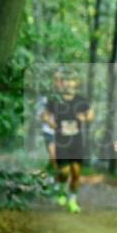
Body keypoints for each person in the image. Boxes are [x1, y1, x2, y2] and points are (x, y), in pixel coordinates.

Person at [43, 73, 94, 213]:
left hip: (76, 140)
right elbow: (45, 114)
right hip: (61, 140)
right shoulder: (55, 99)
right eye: (66, 80)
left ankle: (72, 201)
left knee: (76, 173)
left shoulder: (81, 99)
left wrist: (85, 118)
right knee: (64, 172)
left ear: (76, 83)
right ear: (63, 83)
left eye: (71, 80)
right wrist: (51, 124)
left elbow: (90, 114)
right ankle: (60, 188)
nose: (69, 83)